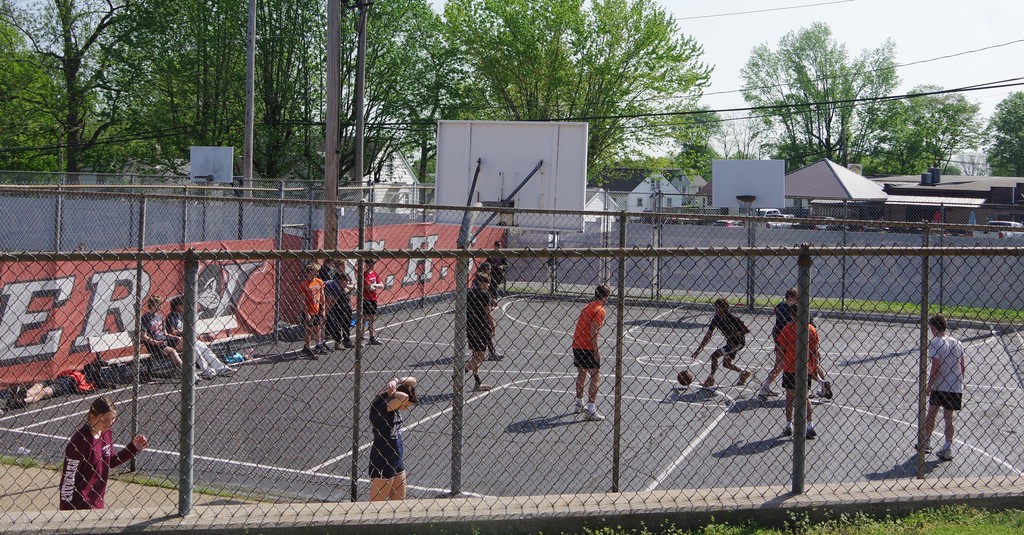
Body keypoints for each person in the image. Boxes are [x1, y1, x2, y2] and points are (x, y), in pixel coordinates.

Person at [59, 396, 149, 510]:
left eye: (113, 419)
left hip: (97, 502)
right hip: (79, 506)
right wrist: (66, 512)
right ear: (93, 417)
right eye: (105, 419)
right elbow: (68, 480)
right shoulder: (79, 442)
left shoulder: (105, 432)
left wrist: (133, 448)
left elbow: (108, 462)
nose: (110, 423)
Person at [922, 314, 965, 462]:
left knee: (932, 413)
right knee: (948, 417)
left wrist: (929, 385)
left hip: (940, 385)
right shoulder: (957, 342)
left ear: (934, 327)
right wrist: (959, 383)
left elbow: (936, 365)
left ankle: (926, 441)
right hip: (955, 386)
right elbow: (962, 366)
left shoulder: (936, 342)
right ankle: (947, 447)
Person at [369, 376, 417, 501]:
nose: (405, 408)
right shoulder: (381, 407)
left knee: (399, 503)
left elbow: (413, 380)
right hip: (383, 460)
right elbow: (404, 397)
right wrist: (393, 392)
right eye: (405, 406)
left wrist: (396, 381)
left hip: (396, 460)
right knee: (375, 506)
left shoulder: (392, 406)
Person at [165, 296, 237, 379]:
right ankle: (206, 371)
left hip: (187, 339)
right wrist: (184, 331)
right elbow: (171, 331)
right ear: (176, 306)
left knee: (204, 348)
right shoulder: (171, 317)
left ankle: (221, 368)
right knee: (195, 349)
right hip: (175, 342)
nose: (184, 306)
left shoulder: (181, 315)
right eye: (182, 304)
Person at [776, 304, 819, 439]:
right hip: (805, 367)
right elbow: (815, 351)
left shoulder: (787, 328)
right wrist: (815, 367)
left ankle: (789, 425)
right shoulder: (811, 329)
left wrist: (781, 361)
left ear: (792, 315)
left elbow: (781, 348)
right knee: (805, 397)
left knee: (790, 397)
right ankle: (810, 426)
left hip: (790, 366)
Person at [692, 298, 753, 388]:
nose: (717, 309)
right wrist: (698, 350)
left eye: (719, 307)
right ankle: (744, 372)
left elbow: (747, 329)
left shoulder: (731, 318)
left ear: (725, 308)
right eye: (716, 307)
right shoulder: (716, 319)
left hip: (738, 342)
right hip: (730, 343)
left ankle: (711, 379)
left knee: (714, 356)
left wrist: (734, 334)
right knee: (726, 364)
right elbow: (708, 335)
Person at [572, 284, 611, 421]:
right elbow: (593, 330)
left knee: (581, 373)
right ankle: (591, 408)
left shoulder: (587, 306)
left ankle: (579, 402)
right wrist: (596, 350)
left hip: (577, 344)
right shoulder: (599, 310)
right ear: (605, 297)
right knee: (595, 376)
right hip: (587, 346)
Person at [758, 287, 799, 397]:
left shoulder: (782, 306)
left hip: (783, 338)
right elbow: (789, 323)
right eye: (796, 298)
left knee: (781, 365)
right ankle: (765, 387)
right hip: (784, 339)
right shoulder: (786, 309)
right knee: (782, 365)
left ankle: (765, 387)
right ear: (790, 297)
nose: (797, 300)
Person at [466, 273, 496, 391]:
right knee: (481, 355)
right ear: (482, 283)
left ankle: (477, 382)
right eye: (487, 283)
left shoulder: (469, 293)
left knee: (475, 354)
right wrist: (492, 326)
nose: (489, 286)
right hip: (480, 327)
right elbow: (488, 312)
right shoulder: (484, 294)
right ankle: (462, 372)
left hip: (470, 326)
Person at [139, 296, 185, 371]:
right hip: (155, 345)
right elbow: (143, 337)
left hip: (165, 341)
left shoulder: (160, 317)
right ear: (152, 305)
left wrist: (177, 337)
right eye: (159, 304)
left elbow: (165, 334)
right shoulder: (145, 318)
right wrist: (156, 342)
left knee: (185, 343)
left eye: (161, 304)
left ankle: (183, 367)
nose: (161, 306)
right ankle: (186, 371)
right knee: (172, 351)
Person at [322, 260, 355, 349]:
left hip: (346, 300)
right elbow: (335, 288)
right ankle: (337, 342)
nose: (344, 267)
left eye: (344, 265)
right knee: (337, 322)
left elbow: (352, 285)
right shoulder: (334, 275)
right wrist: (345, 288)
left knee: (347, 321)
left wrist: (348, 288)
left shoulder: (346, 275)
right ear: (338, 265)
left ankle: (346, 339)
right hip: (337, 302)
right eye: (342, 265)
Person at [474, 262, 502, 361]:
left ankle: (490, 351)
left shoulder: (484, 279)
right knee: (486, 331)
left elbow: (486, 293)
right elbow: (481, 293)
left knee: (485, 333)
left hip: (478, 311)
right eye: (488, 269)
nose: (490, 271)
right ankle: (490, 352)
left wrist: (491, 299)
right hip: (479, 311)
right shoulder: (479, 280)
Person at [297, 263, 326, 359]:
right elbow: (302, 300)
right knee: (309, 330)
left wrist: (323, 309)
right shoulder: (304, 284)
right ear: (308, 273)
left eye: (317, 272)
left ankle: (318, 345)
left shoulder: (319, 282)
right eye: (314, 272)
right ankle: (307, 347)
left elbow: (322, 296)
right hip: (309, 310)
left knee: (317, 328)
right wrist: (307, 313)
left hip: (317, 309)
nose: (316, 274)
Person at [361, 259, 384, 346]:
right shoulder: (364, 275)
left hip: (374, 299)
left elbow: (382, 285)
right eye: (372, 264)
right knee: (364, 319)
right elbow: (368, 287)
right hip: (366, 299)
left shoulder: (374, 274)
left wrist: (374, 285)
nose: (373, 266)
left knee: (372, 319)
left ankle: (372, 338)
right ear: (368, 265)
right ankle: (362, 337)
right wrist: (373, 286)